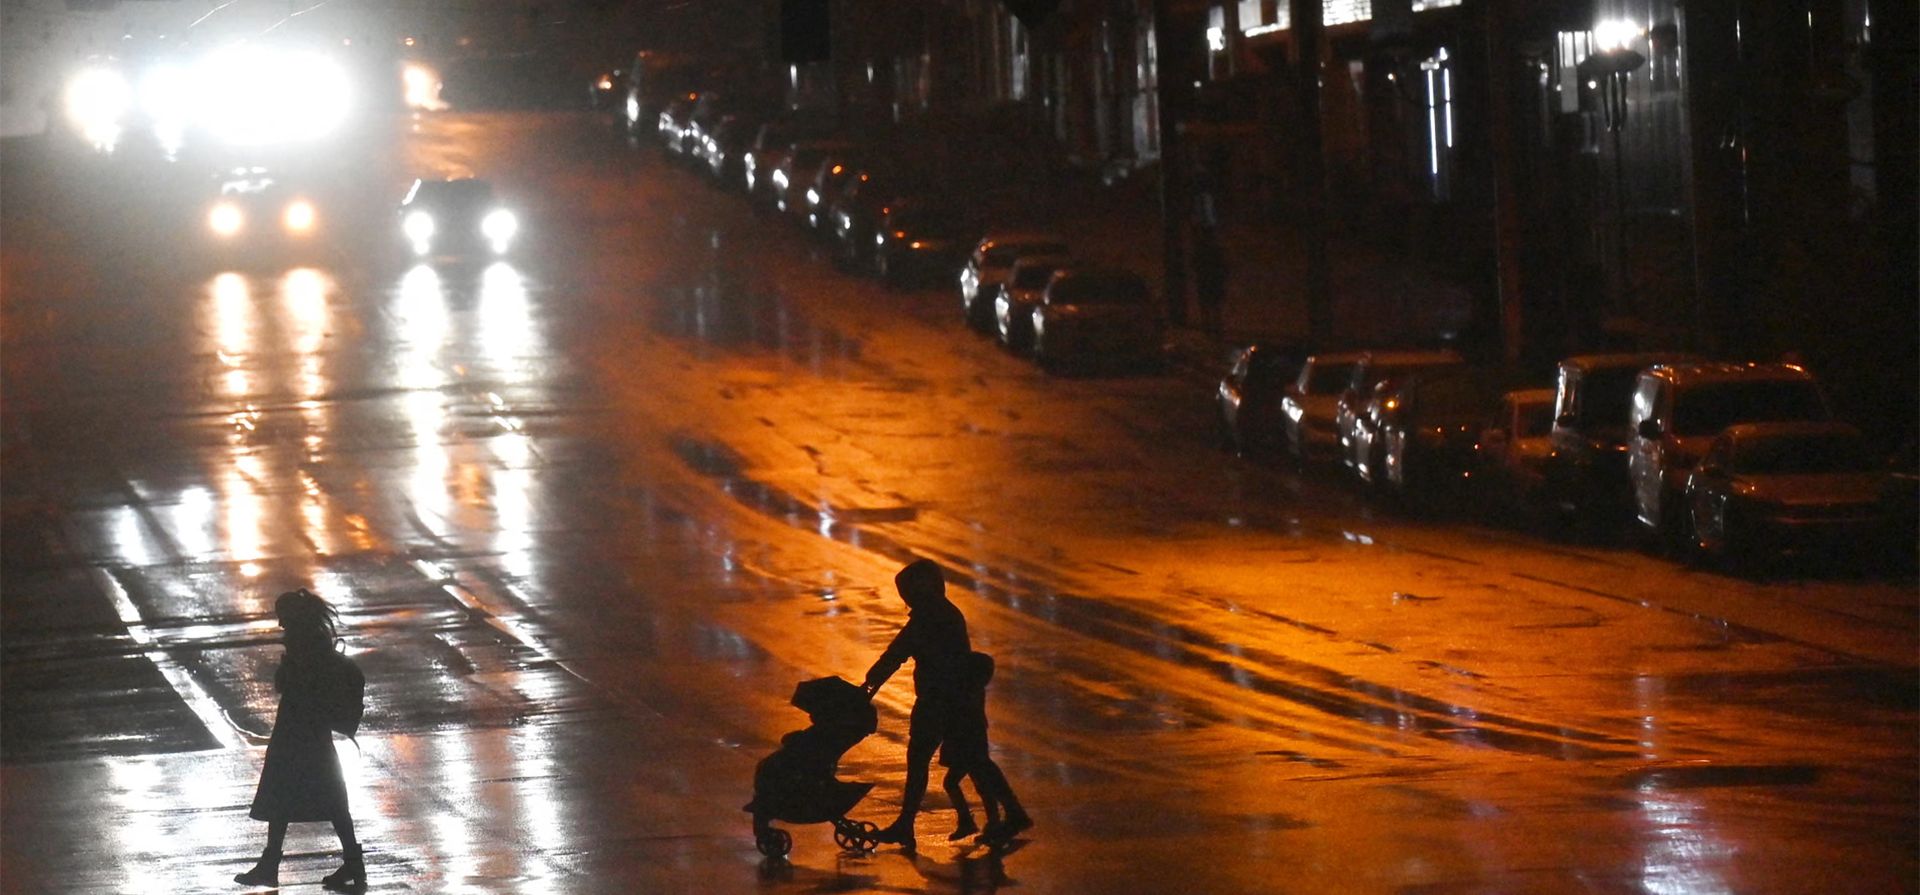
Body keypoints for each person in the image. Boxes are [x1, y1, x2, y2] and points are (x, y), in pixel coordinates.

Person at [235, 589, 367, 891]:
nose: (280, 623)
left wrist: (287, 669)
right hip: (312, 731)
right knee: (331, 800)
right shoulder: (315, 641)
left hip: (297, 731)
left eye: (282, 617)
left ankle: (270, 865)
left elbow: (292, 684)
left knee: (283, 796)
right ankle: (351, 862)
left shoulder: (303, 644)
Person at [862, 559, 971, 847]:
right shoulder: (943, 613)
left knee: (921, 760)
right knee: (968, 762)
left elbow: (897, 652)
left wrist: (871, 682)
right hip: (954, 698)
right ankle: (973, 817)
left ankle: (906, 823)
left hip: (937, 700)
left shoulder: (929, 618)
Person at [940, 651, 1032, 845]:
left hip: (966, 740)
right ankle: (993, 820)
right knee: (981, 779)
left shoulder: (965, 693)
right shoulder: (974, 691)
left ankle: (982, 820)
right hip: (972, 738)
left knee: (971, 780)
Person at [1192, 226, 1228, 341]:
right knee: (1213, 308)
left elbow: (1195, 265)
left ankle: (1209, 331)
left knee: (1208, 307)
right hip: (1212, 281)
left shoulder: (1201, 249)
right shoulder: (1215, 250)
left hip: (1207, 280)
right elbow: (1223, 266)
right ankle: (1215, 331)